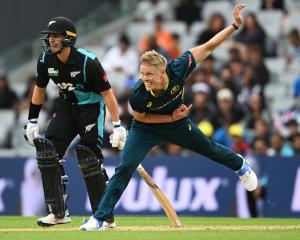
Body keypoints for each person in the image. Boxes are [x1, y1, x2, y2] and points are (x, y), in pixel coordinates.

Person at [80, 4, 258, 231]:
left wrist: (234, 26)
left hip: (178, 123)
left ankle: (241, 166)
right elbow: (141, 118)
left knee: (209, 148)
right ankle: (100, 219)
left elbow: (210, 46)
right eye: (142, 73)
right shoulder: (138, 94)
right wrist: (170, 118)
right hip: (146, 128)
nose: (145, 78)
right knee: (125, 167)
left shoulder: (178, 68)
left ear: (163, 72)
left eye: (150, 74)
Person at [23, 16, 127, 227]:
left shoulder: (88, 61)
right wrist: (32, 120)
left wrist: (117, 125)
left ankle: (104, 217)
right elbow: (39, 89)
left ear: (68, 39)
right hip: (66, 107)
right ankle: (58, 212)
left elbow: (108, 95)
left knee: (90, 158)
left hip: (90, 109)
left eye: (56, 36)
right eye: (50, 36)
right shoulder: (45, 60)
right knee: (48, 151)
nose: (51, 40)